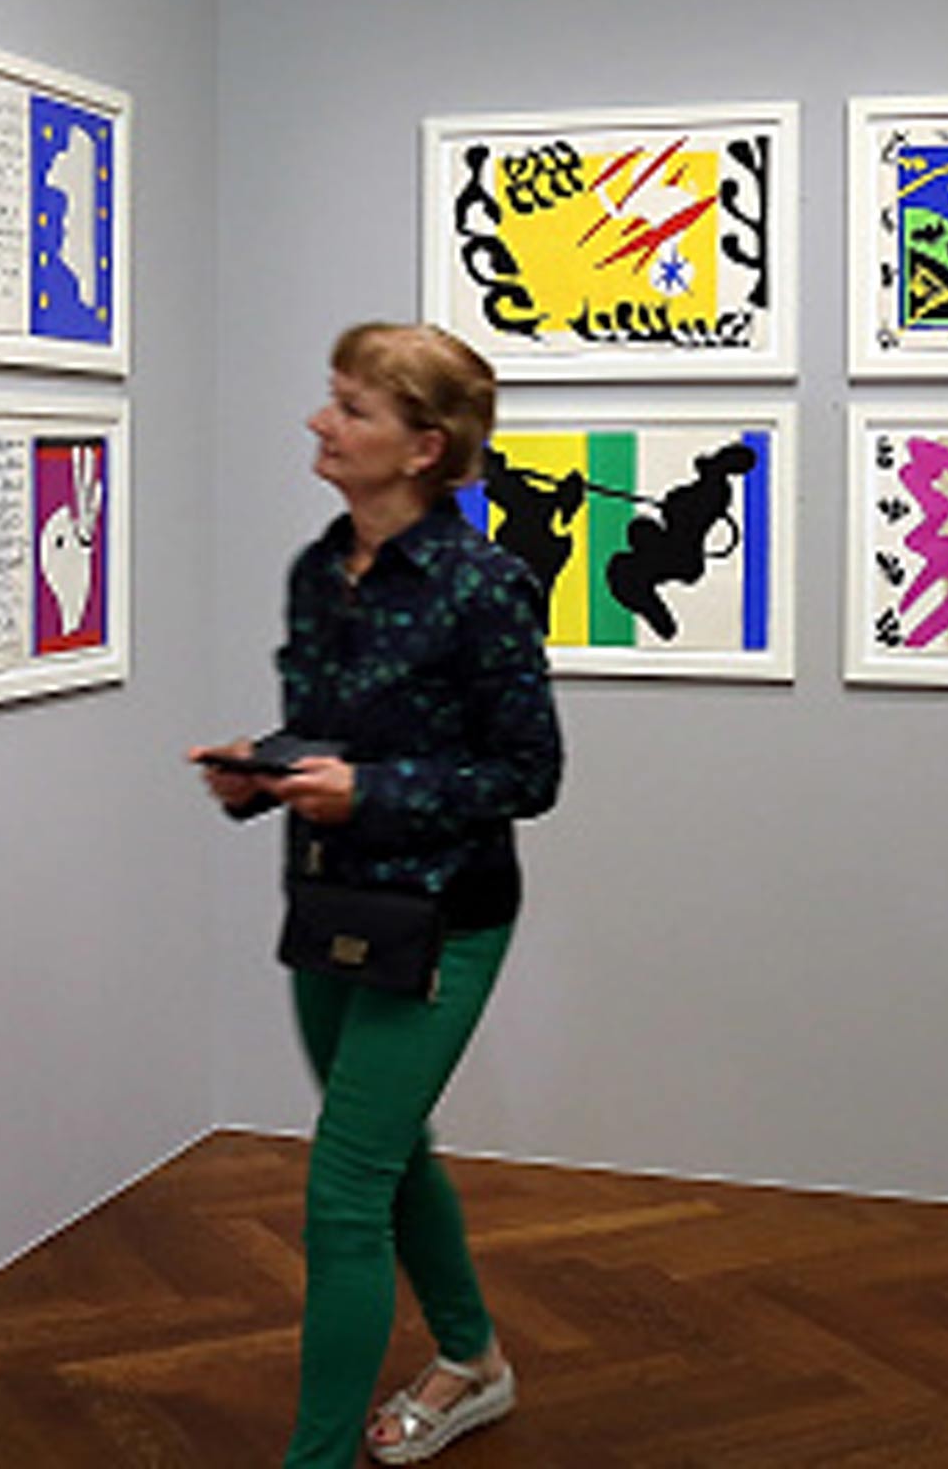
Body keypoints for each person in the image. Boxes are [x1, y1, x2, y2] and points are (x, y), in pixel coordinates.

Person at [193, 322, 563, 1466]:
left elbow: (527, 775)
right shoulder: (320, 568)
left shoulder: (485, 586)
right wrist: (264, 770)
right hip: (328, 904)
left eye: (352, 407)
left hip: (445, 916)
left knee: (343, 1189)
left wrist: (373, 790)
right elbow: (338, 733)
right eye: (330, 399)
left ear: (422, 447)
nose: (320, 421)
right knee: (388, 1152)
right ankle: (473, 1360)